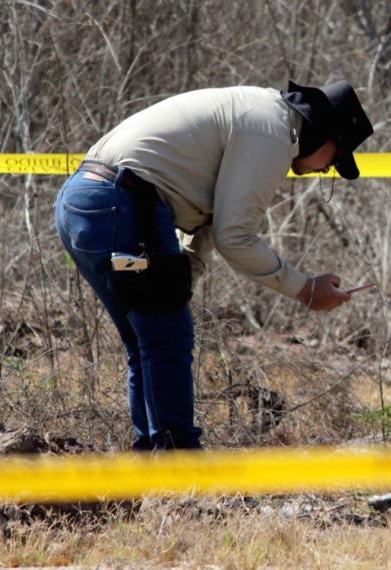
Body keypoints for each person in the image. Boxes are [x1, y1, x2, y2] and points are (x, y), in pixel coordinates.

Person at [53, 80, 374, 450]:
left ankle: (153, 465)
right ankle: (179, 463)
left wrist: (181, 282)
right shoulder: (272, 132)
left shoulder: (259, 113)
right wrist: (307, 289)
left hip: (80, 202)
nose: (327, 169)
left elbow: (203, 221)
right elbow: (234, 237)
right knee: (165, 338)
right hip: (122, 201)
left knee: (149, 340)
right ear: (326, 136)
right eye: (335, 159)